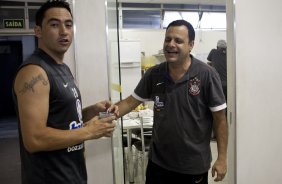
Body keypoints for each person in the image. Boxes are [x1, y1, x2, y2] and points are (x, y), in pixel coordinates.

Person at [12, 1, 118, 183]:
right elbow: (34, 139)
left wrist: (91, 111)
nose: (64, 31)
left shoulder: (62, 68)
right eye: (54, 24)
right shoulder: (34, 72)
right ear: (38, 31)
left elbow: (62, 121)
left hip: (71, 174)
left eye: (68, 25)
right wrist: (89, 131)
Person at [116, 20, 228, 184]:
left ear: (190, 45)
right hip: (158, 166)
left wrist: (222, 158)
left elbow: (220, 119)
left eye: (178, 40)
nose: (171, 44)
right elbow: (129, 103)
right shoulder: (154, 74)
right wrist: (105, 114)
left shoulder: (207, 75)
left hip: (193, 167)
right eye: (167, 39)